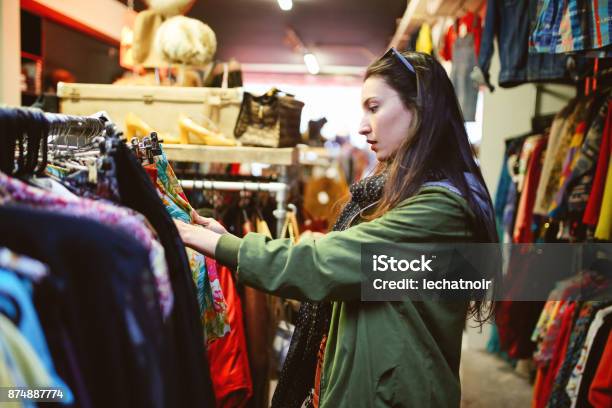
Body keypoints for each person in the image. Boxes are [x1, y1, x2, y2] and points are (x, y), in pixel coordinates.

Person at [174, 50, 498, 407]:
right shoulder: (403, 191)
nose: (362, 126)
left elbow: (325, 263)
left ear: (419, 109)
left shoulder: (439, 207)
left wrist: (216, 244)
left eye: (374, 108)